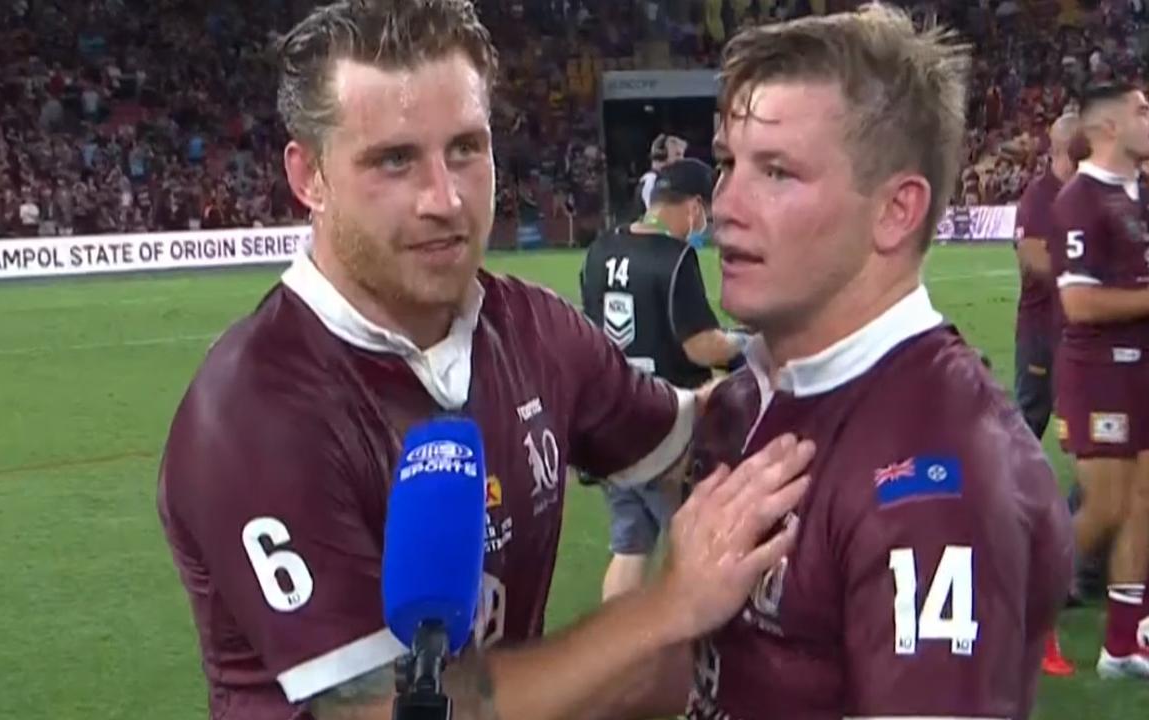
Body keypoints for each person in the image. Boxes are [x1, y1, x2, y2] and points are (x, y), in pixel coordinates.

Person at [155, 2, 814, 719]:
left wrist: (848, 382)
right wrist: (667, 610)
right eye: (394, 160)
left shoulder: (533, 328)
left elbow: (691, 438)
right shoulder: (255, 412)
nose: (445, 198)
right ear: (309, 176)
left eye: (466, 148)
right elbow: (392, 711)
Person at [598, 5, 1073, 718]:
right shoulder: (743, 399)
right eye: (729, 163)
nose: (726, 204)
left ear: (896, 211)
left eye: (778, 172)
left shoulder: (943, 477)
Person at [579, 158, 748, 602]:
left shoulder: (601, 250)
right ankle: (682, 647)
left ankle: (616, 648)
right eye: (705, 213)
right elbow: (701, 346)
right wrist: (748, 348)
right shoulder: (675, 258)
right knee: (690, 540)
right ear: (693, 205)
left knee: (629, 546)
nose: (704, 224)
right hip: (669, 426)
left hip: (614, 423)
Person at [1050, 80, 1149, 680]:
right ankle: (1025, 610)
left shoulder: (1138, 195)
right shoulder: (1079, 201)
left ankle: (1122, 643)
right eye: (1143, 111)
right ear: (1109, 127)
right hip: (1100, 374)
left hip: (1142, 370)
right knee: (1106, 506)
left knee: (1143, 503)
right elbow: (1080, 305)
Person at [1012, 113, 1082, 677]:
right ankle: (1015, 537)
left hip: (1080, 338)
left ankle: (1075, 562)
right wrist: (1084, 269)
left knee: (1092, 446)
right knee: (1021, 438)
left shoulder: (1085, 193)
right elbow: (1032, 260)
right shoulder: (1043, 194)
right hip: (1042, 334)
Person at [637, 134, 687, 212]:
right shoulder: (651, 180)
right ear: (661, 155)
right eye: (677, 154)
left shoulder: (669, 180)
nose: (682, 159)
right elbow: (652, 216)